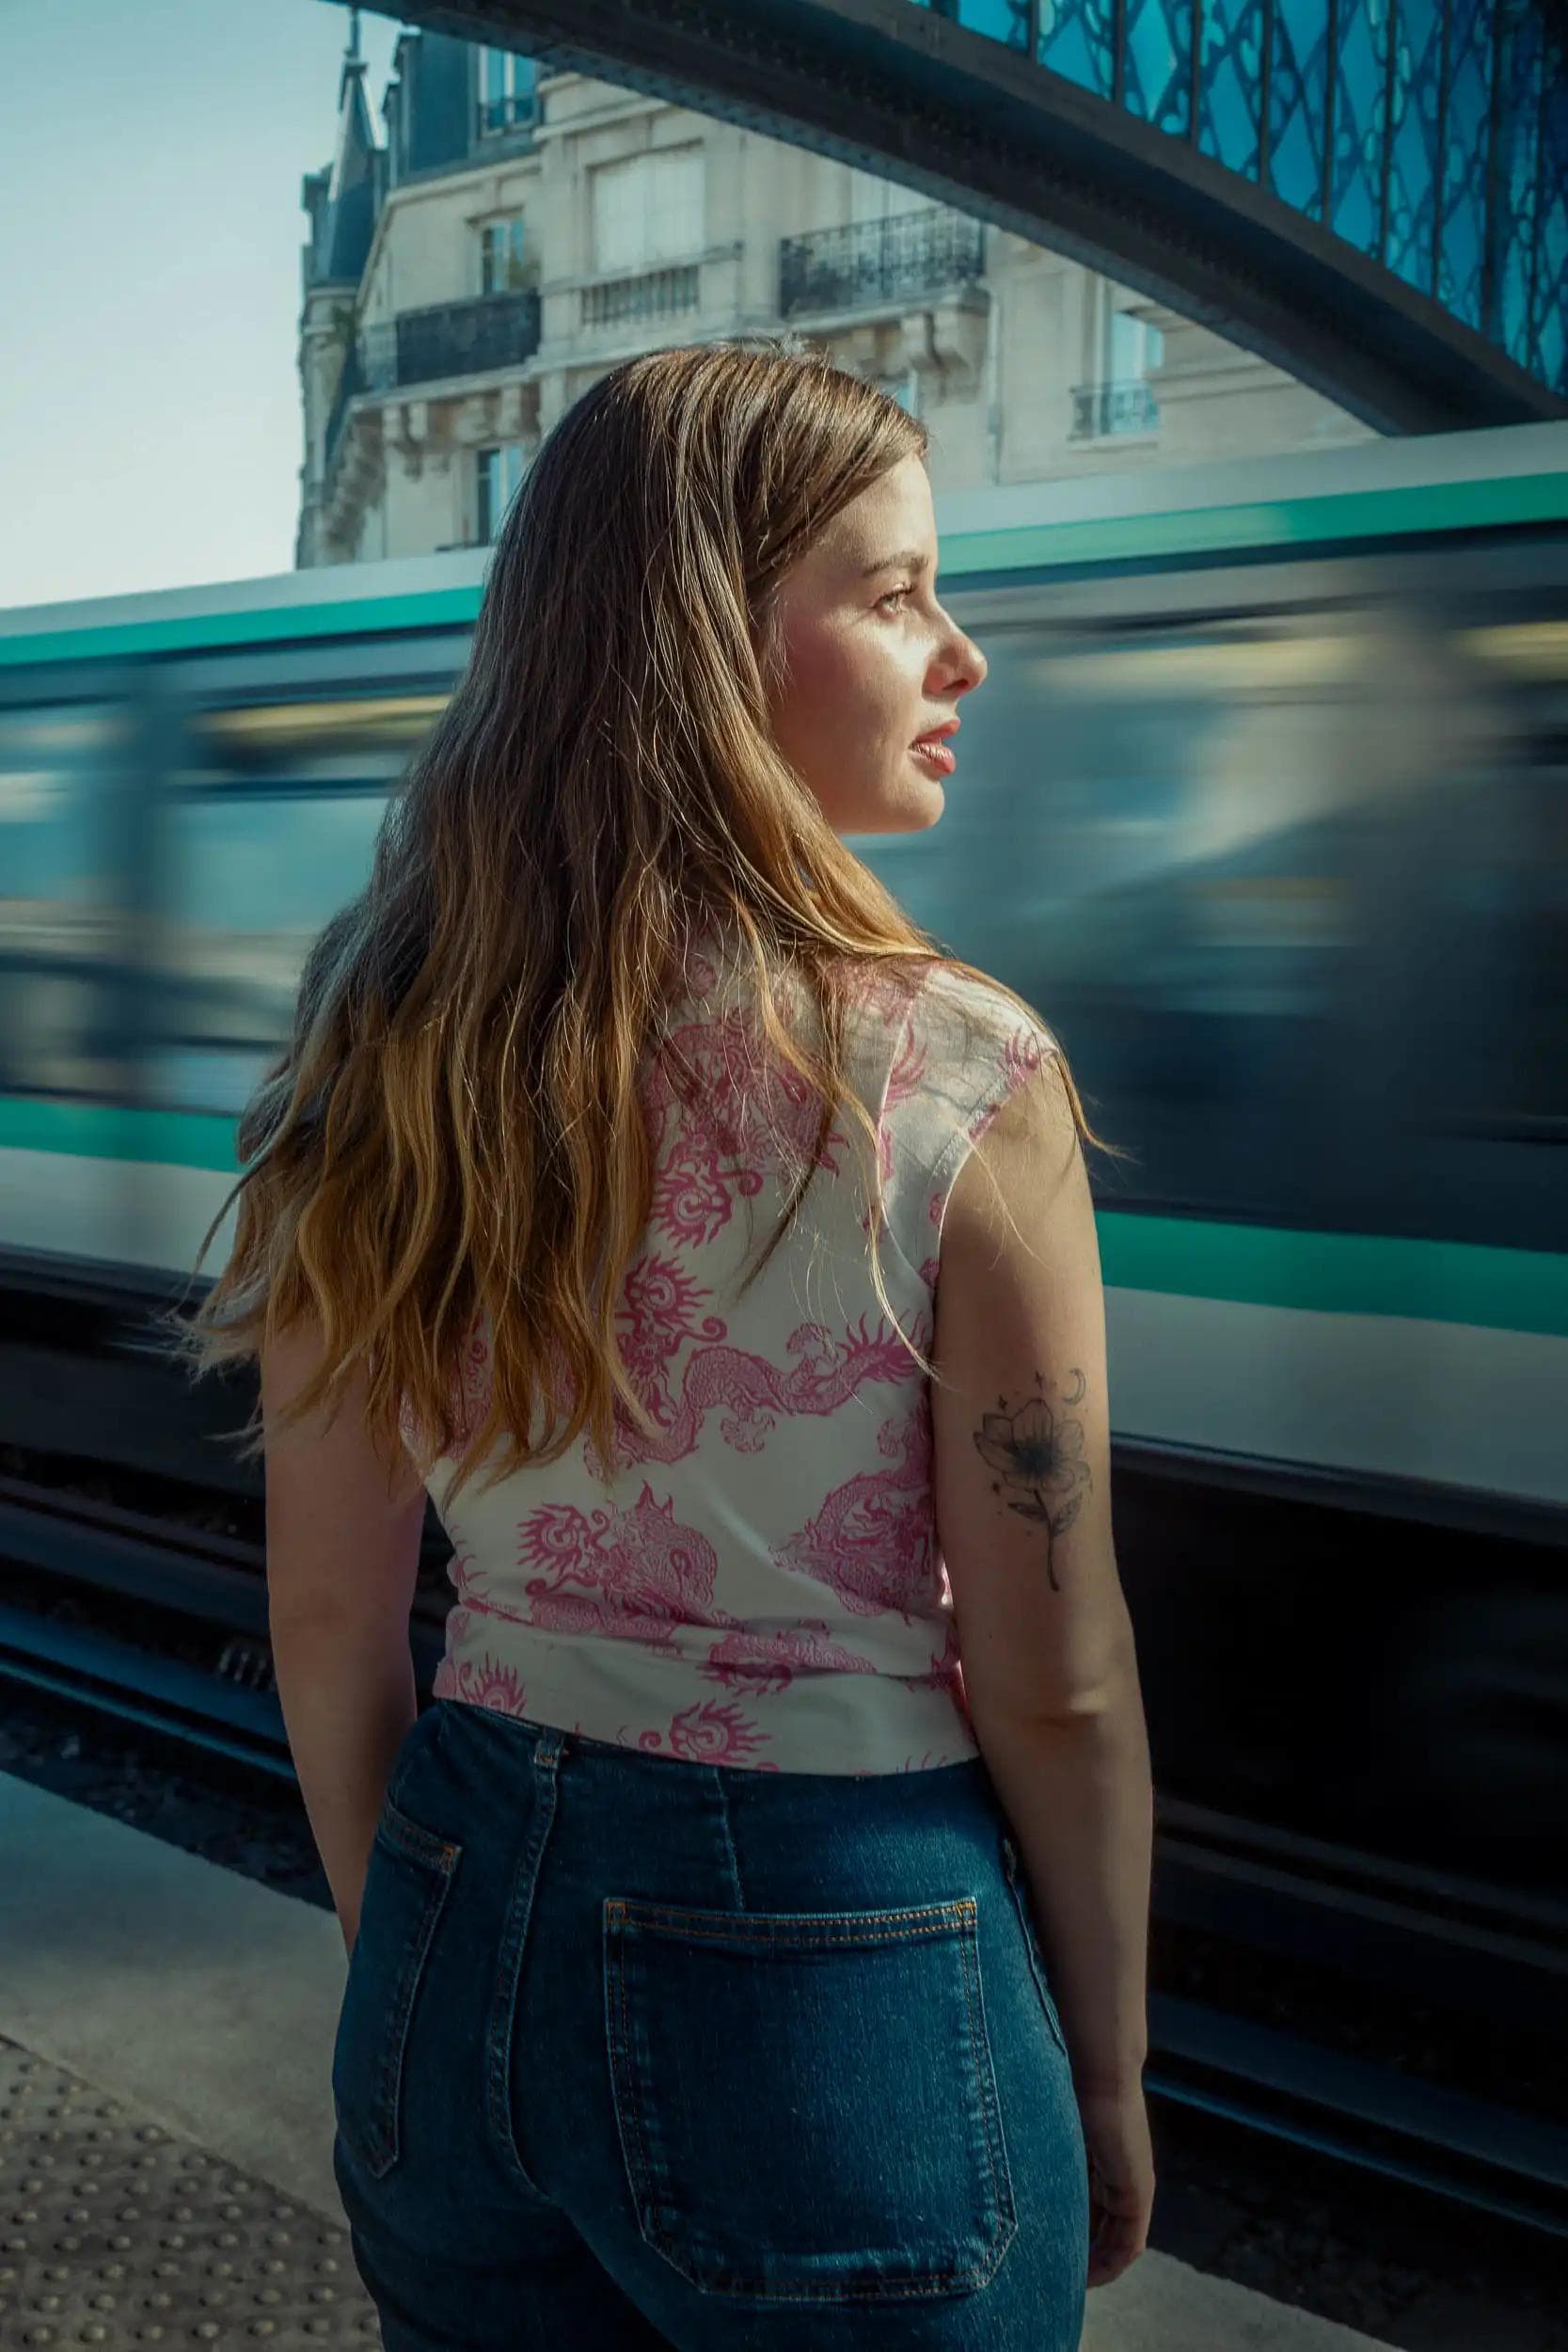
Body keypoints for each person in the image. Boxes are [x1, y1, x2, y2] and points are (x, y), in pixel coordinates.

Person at [168, 336, 1155, 2350]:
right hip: (836, 1944)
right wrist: (1112, 2067)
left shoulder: (386, 1046)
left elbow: (335, 1620)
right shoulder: (960, 1074)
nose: (959, 652)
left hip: (460, 1900)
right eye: (893, 595)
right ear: (717, 645)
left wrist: (415, 1972)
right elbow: (1055, 1678)